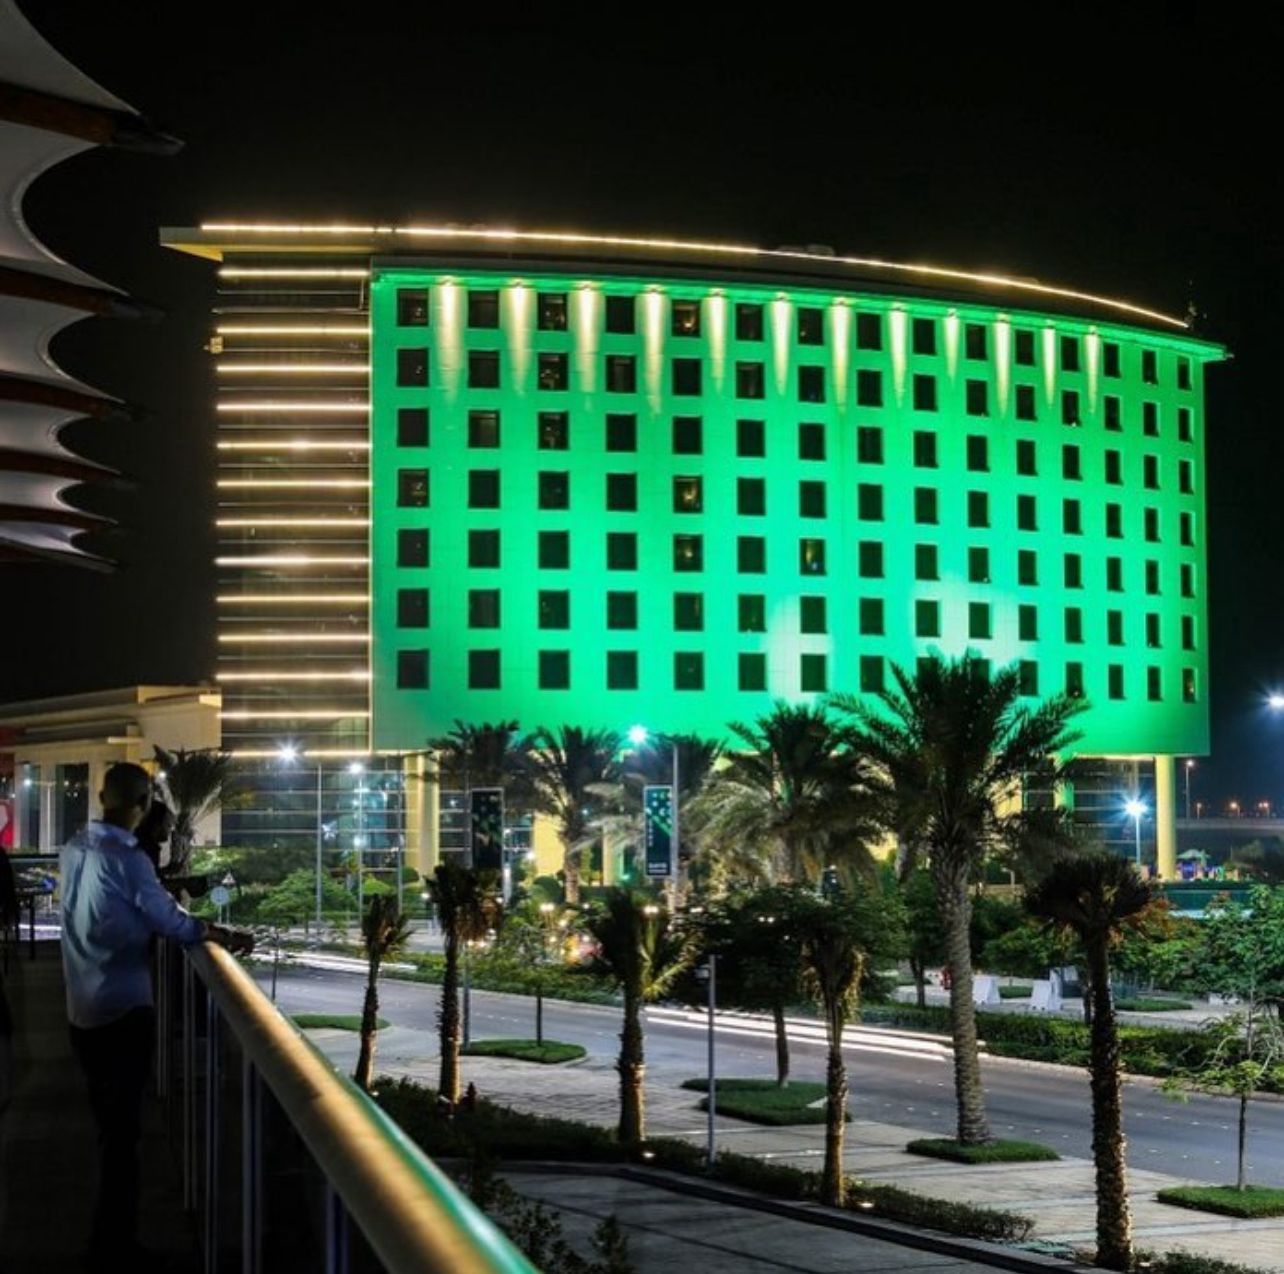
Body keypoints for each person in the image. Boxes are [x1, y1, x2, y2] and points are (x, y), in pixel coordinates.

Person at [60, 761, 252, 1262]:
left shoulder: (76, 847)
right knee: (123, 1138)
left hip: (81, 1008)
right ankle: (114, 1245)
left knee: (110, 1131)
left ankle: (108, 1241)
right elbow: (171, 921)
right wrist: (220, 934)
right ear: (144, 806)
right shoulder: (128, 860)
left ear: (102, 798)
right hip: (122, 1009)